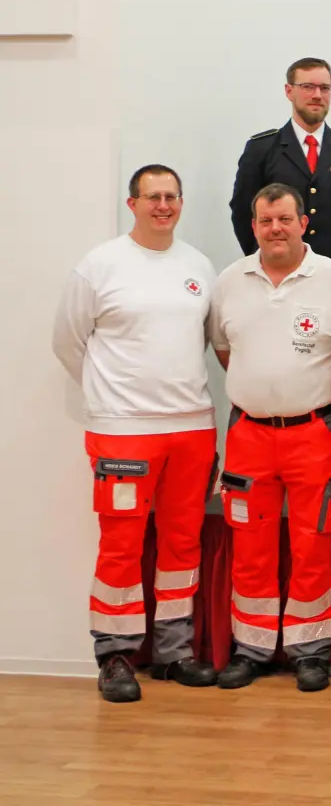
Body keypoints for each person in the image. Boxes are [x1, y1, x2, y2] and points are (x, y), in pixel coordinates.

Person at [51, 164, 222, 702]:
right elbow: (68, 343)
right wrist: (111, 399)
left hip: (192, 427)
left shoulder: (198, 265)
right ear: (133, 204)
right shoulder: (100, 265)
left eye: (172, 196)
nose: (163, 206)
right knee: (121, 544)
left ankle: (174, 652)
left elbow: (210, 341)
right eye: (153, 197)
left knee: (181, 541)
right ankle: (116, 655)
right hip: (123, 433)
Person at [209, 183, 331, 692]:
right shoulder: (230, 281)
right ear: (253, 226)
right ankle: (250, 649)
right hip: (250, 434)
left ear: (303, 223)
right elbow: (225, 351)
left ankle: (310, 650)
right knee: (250, 543)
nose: (275, 228)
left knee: (313, 543)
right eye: (266, 220)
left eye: (285, 219)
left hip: (316, 433)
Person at [229, 57, 331, 276]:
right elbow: (243, 211)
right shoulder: (262, 149)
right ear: (289, 91)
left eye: (324, 88)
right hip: (278, 269)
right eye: (308, 87)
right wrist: (266, 253)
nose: (317, 95)